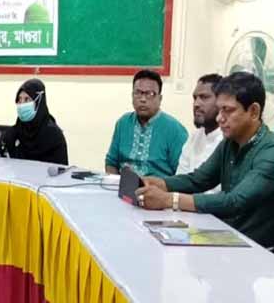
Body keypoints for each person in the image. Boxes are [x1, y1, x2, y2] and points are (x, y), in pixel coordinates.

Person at [136, 72, 274, 249]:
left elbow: (234, 201)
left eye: (228, 110)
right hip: (226, 237)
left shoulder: (269, 150)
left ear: (253, 111)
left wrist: (169, 200)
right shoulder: (230, 142)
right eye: (220, 109)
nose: (219, 118)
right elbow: (198, 180)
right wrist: (157, 183)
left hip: (257, 251)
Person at [105, 69, 188, 177]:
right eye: (138, 93)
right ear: (132, 95)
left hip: (158, 186)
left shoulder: (175, 130)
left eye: (150, 94)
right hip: (122, 185)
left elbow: (183, 175)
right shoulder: (123, 123)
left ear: (160, 98)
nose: (143, 99)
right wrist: (115, 183)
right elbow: (111, 162)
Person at [2, 79, 68, 165]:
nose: (21, 104)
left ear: (39, 102)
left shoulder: (54, 136)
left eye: (27, 99)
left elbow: (61, 170)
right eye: (19, 99)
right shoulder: (13, 134)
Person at [176, 74, 223, 177]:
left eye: (204, 97)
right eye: (195, 98)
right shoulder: (195, 137)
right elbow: (180, 178)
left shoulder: (229, 140)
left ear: (221, 101)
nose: (196, 104)